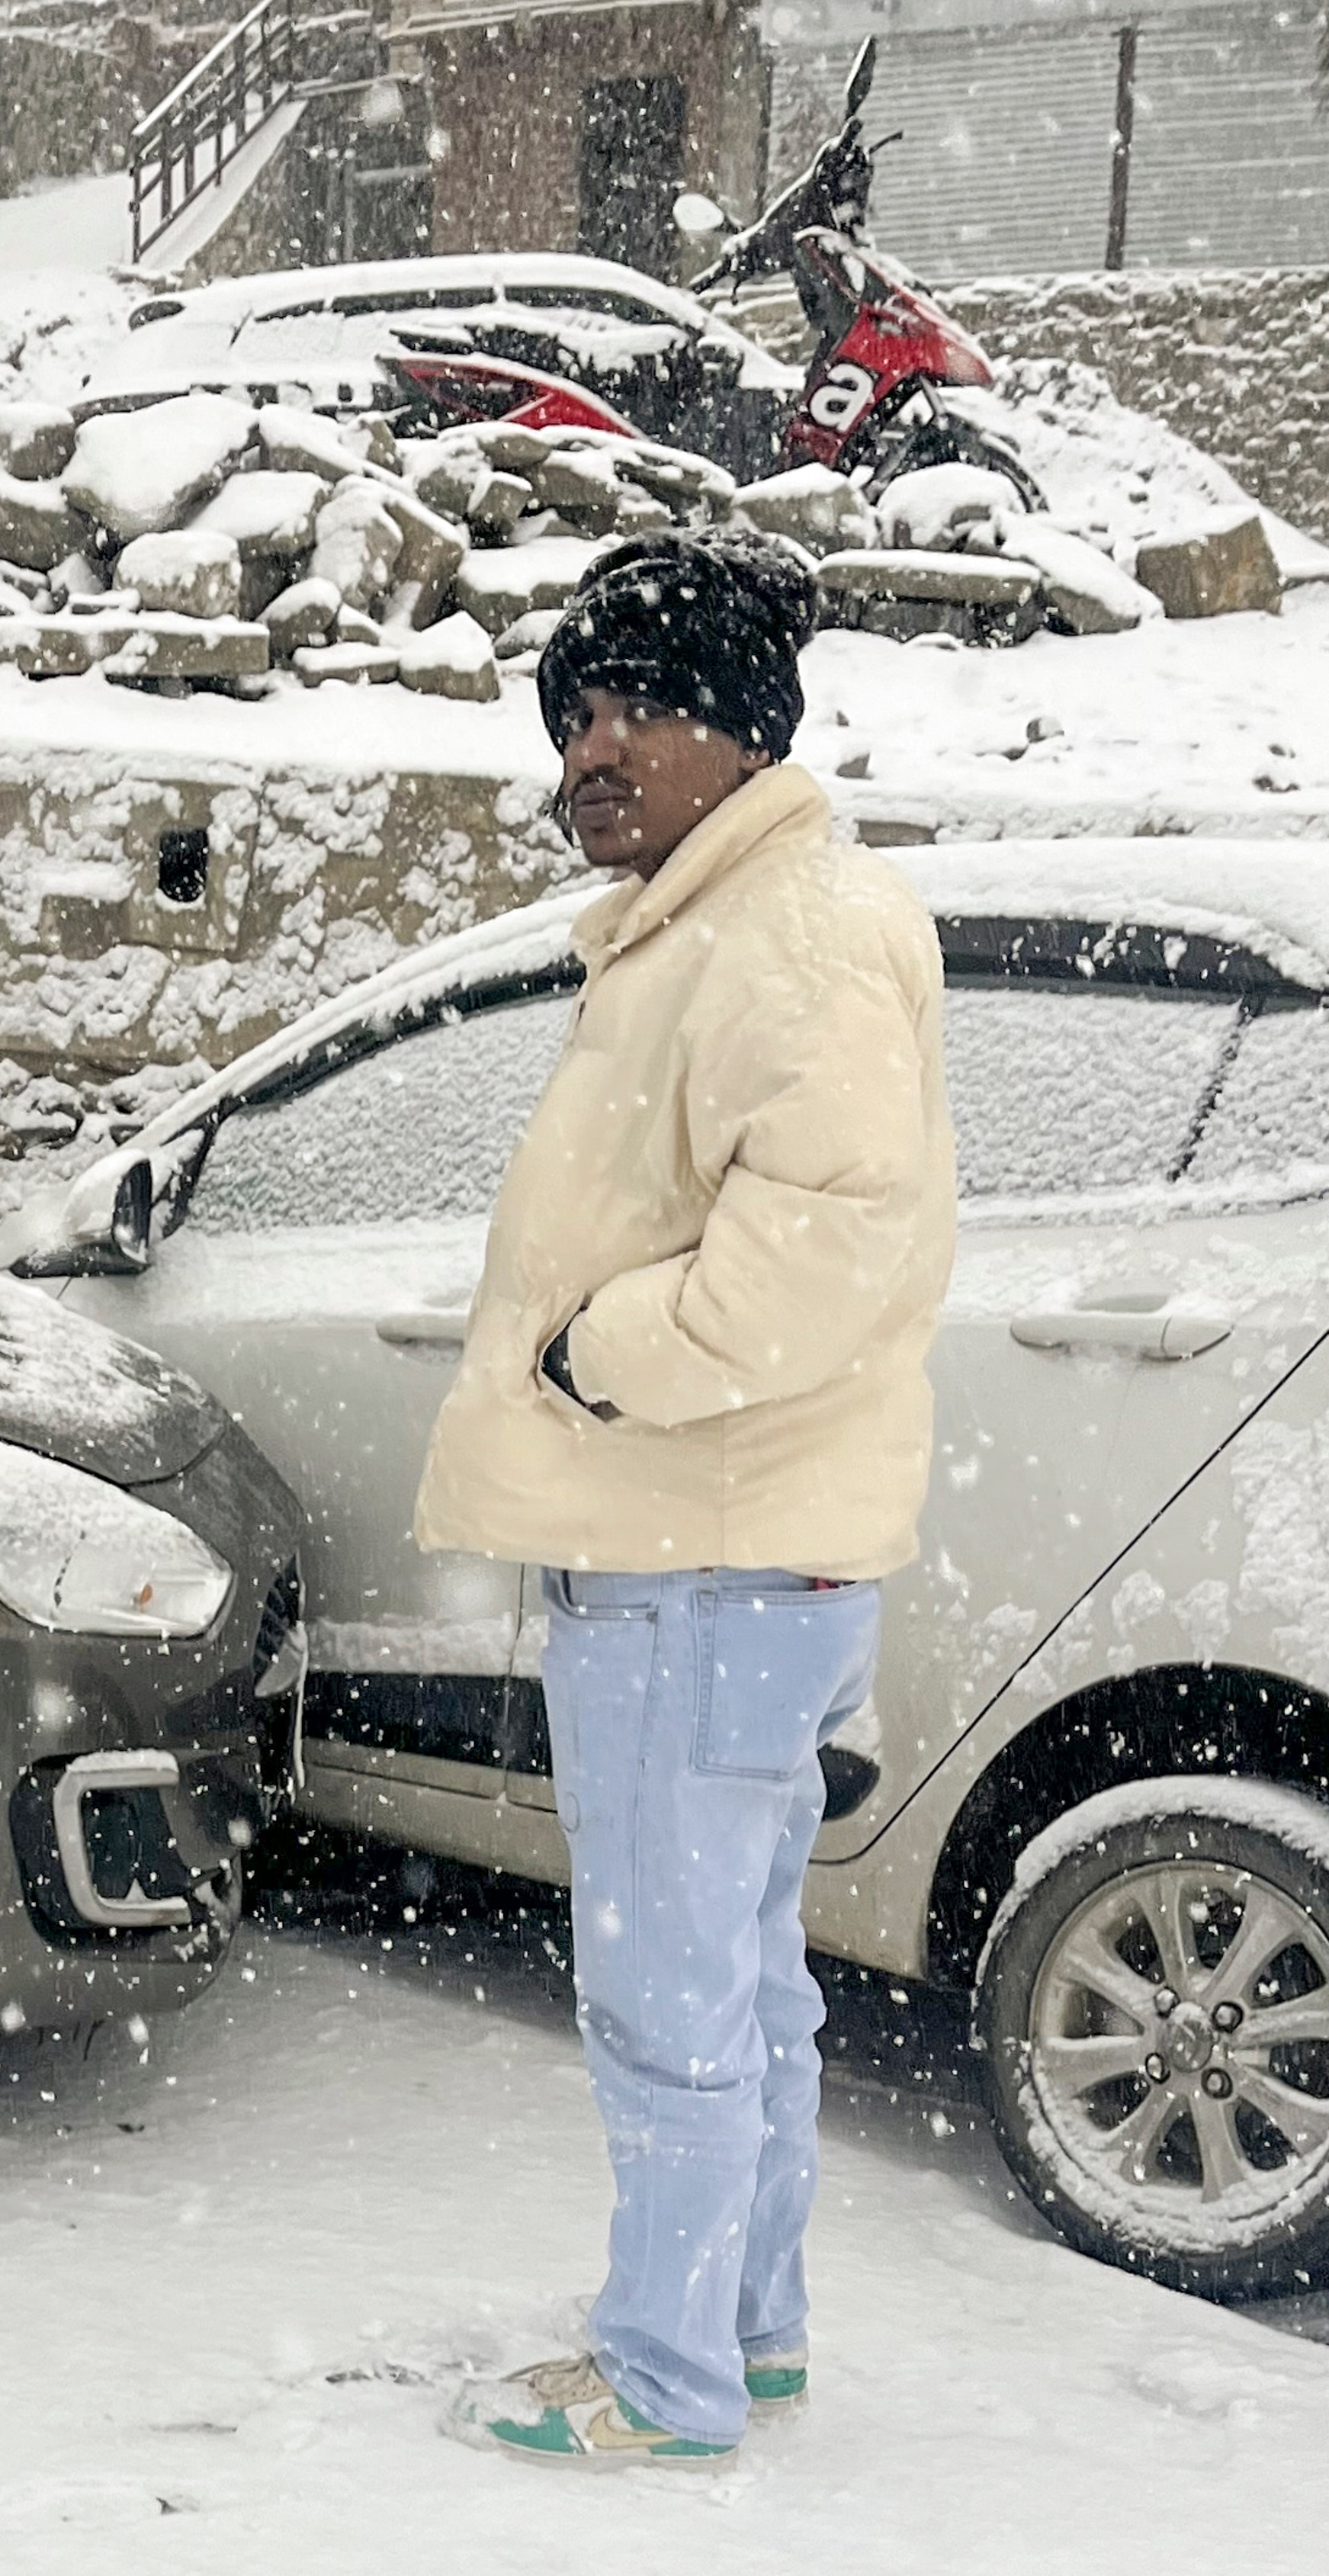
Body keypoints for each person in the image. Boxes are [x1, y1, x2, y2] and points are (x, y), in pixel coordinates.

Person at [418, 528, 955, 2468]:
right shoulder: (728, 915)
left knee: (668, 1996)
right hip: (739, 1556)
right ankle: (746, 2326)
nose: (593, 748)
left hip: (697, 1554)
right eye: (572, 713)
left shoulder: (776, 932)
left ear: (738, 731)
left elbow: (815, 1248)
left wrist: (585, 1355)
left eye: (637, 708)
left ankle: (665, 2383)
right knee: (733, 1981)